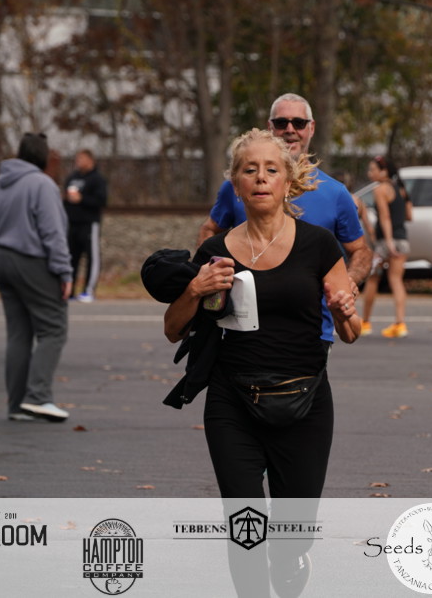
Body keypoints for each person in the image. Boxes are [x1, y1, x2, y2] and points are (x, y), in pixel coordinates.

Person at [164, 128, 360, 596]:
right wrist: (195, 289)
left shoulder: (318, 245)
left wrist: (342, 310)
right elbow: (173, 329)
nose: (260, 177)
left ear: (288, 182)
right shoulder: (214, 253)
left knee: (295, 529)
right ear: (235, 183)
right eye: (249, 170)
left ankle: (290, 557)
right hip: (232, 400)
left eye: (271, 169)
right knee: (245, 525)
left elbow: (351, 332)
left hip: (305, 399)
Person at [196, 93, 371, 332]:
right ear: (269, 127)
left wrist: (347, 281)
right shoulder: (239, 186)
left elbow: (360, 250)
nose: (290, 130)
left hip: (313, 330)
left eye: (298, 123)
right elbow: (210, 230)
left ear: (311, 128)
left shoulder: (336, 193)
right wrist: (209, 274)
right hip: (241, 327)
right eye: (281, 123)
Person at [0, 133, 73, 422]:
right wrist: (64, 271)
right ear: (44, 156)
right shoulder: (42, 184)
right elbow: (53, 232)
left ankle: (17, 405)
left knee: (18, 334)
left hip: (2, 260)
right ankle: (38, 397)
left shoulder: (1, 185)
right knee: (53, 328)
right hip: (31, 260)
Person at [360, 155, 412, 338]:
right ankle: (400, 323)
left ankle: (365, 322)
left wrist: (388, 242)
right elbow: (409, 215)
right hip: (403, 240)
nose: (370, 173)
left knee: (373, 278)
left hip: (385, 242)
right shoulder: (401, 189)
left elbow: (384, 217)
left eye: (373, 169)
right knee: (396, 280)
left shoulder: (380, 189)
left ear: (384, 171)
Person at [64, 148, 108, 302]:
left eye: (82, 159)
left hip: (89, 224)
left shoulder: (97, 179)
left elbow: (101, 201)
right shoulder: (72, 177)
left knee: (92, 257)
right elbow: (65, 198)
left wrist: (81, 199)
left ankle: (88, 291)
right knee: (71, 258)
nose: (78, 162)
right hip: (72, 224)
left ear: (90, 160)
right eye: (77, 159)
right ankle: (69, 291)